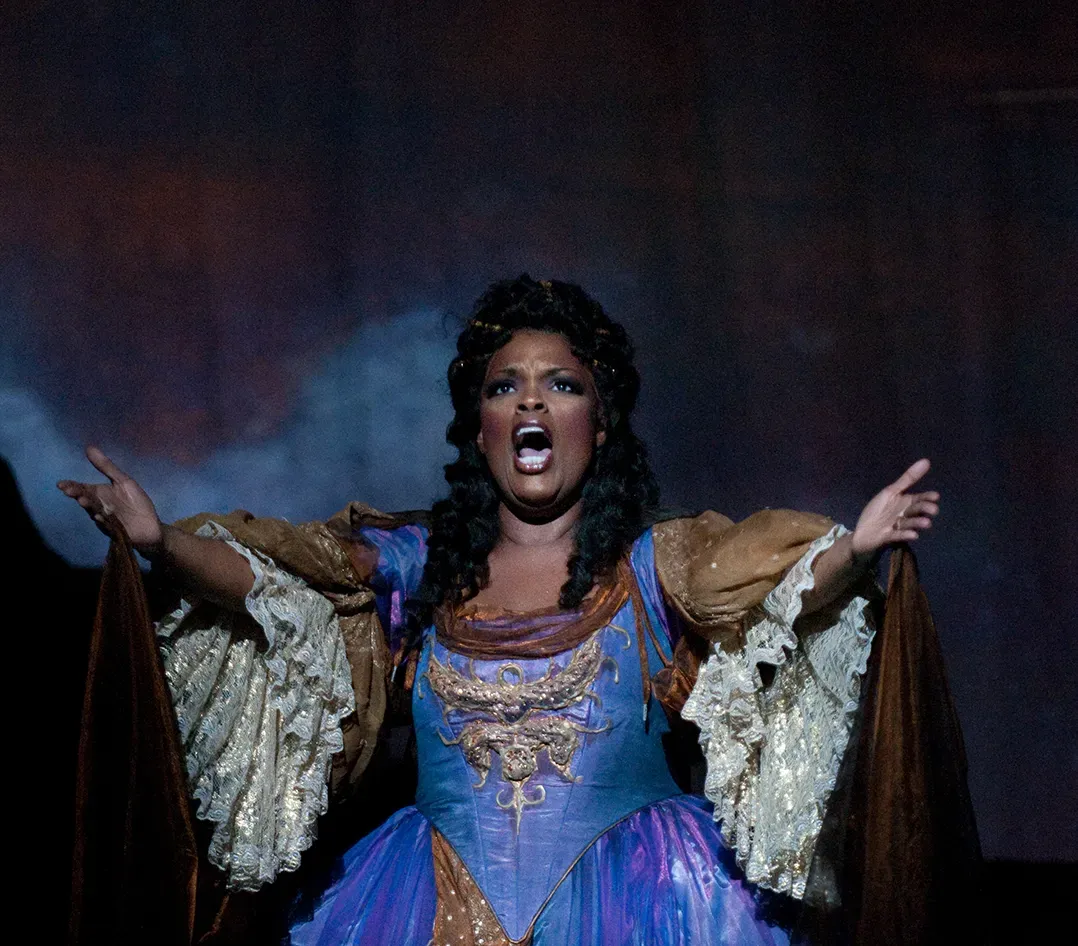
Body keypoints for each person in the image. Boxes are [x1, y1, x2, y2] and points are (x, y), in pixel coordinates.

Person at [59, 276, 940, 945]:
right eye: (503, 386)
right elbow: (280, 579)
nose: (530, 401)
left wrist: (852, 549)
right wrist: (161, 542)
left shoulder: (654, 565)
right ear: (478, 427)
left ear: (600, 422)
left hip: (648, 904)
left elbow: (766, 586)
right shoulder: (417, 568)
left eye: (562, 385)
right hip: (422, 902)